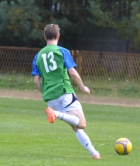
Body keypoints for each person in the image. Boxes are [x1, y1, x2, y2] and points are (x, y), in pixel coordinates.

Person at [31, 24, 100, 159]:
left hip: (50, 98)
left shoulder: (38, 56)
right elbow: (72, 72)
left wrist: (45, 93)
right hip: (64, 92)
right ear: (58, 36)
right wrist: (82, 86)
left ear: (45, 37)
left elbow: (36, 81)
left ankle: (94, 153)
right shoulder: (62, 51)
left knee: (76, 126)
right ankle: (56, 114)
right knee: (81, 123)